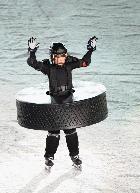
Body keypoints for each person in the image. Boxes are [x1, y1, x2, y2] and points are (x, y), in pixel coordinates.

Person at [27, 36, 98, 168]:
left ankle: (74, 156)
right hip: (55, 104)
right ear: (53, 57)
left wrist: (90, 50)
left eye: (62, 56)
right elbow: (33, 63)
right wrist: (32, 51)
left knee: (71, 131)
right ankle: (48, 157)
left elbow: (85, 63)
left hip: (68, 103)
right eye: (58, 57)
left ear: (66, 56)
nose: (61, 59)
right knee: (53, 133)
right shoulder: (48, 68)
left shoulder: (69, 64)